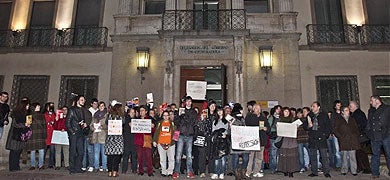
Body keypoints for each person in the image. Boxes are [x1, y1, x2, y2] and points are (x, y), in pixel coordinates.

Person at [173, 96, 197, 179]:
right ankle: (176, 171)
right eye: (187, 101)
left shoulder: (194, 111)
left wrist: (184, 117)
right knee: (178, 154)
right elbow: (176, 122)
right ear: (185, 102)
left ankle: (189, 171)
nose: (189, 103)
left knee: (189, 155)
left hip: (189, 135)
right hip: (181, 134)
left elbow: (192, 122)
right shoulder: (180, 110)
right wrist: (178, 115)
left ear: (191, 102)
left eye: (190, 101)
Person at [366, 95, 390, 178]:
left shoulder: (387, 109)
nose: (370, 102)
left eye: (371, 101)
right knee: (375, 155)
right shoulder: (371, 111)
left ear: (377, 101)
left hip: (386, 135)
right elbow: (369, 123)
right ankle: (375, 173)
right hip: (374, 137)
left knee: (389, 154)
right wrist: (369, 133)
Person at [305, 101, 331, 178]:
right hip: (313, 138)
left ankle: (326, 172)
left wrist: (325, 135)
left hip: (321, 138)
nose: (312, 108)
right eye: (312, 106)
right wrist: (309, 126)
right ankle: (314, 172)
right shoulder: (309, 115)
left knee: (324, 156)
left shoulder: (324, 115)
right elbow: (305, 126)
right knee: (313, 156)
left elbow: (328, 126)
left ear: (318, 107)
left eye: (314, 106)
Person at [66, 95, 90, 174]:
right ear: (77, 101)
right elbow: (68, 122)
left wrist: (85, 125)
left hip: (81, 133)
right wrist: (72, 132)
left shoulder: (83, 110)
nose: (83, 101)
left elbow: (83, 120)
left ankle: (78, 167)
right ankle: (72, 168)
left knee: (81, 151)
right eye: (82, 100)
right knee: (73, 151)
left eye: (84, 100)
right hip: (74, 133)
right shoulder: (72, 110)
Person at [244, 104, 270, 178]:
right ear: (253, 109)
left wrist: (266, 129)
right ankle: (248, 172)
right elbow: (248, 126)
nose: (258, 110)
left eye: (259, 109)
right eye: (256, 108)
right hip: (252, 140)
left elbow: (268, 128)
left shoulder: (263, 118)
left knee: (259, 158)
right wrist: (257, 127)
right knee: (251, 157)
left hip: (261, 140)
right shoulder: (249, 117)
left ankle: (256, 171)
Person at [334, 106, 360, 176]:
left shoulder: (352, 119)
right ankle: (344, 170)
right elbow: (335, 129)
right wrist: (340, 136)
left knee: (352, 156)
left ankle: (354, 170)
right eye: (346, 110)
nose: (348, 111)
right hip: (344, 140)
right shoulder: (339, 120)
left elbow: (356, 129)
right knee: (344, 156)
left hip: (352, 140)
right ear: (342, 112)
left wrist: (355, 135)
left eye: (348, 110)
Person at [6, 99, 30, 171]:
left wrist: (27, 124)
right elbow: (15, 124)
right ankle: (12, 167)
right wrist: (24, 124)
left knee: (18, 151)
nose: (28, 107)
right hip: (15, 134)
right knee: (14, 151)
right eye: (27, 105)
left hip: (21, 134)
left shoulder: (25, 114)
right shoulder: (16, 113)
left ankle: (16, 166)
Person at [349, 100, 371, 174]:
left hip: (361, 137)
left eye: (350, 106)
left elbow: (361, 125)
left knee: (362, 153)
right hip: (358, 136)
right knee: (358, 152)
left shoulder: (358, 114)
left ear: (355, 106)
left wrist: (356, 132)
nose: (349, 108)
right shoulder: (355, 114)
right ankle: (361, 167)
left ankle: (366, 168)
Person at [153, 110, 176, 177]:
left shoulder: (172, 123)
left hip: (170, 144)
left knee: (171, 158)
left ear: (169, 116)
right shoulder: (159, 123)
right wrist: (154, 141)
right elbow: (156, 132)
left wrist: (172, 142)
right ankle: (163, 171)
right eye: (164, 115)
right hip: (161, 143)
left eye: (167, 115)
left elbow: (175, 134)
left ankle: (170, 172)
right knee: (162, 159)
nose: (165, 117)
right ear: (162, 116)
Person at [277, 107, 300, 177]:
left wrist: (297, 127)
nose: (286, 113)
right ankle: (284, 170)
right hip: (283, 139)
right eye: (285, 111)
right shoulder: (280, 119)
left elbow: (296, 129)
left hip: (292, 139)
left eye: (287, 111)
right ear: (282, 112)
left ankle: (291, 171)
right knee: (284, 155)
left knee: (292, 156)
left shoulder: (293, 119)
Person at [105, 101, 125, 177]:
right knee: (117, 155)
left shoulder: (109, 115)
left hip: (110, 137)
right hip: (118, 138)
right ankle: (115, 172)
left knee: (110, 155)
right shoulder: (121, 116)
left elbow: (107, 122)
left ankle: (110, 171)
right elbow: (123, 122)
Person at [229, 103, 249, 180]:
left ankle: (243, 172)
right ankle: (236, 173)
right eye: (241, 110)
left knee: (246, 157)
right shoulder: (231, 118)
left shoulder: (243, 118)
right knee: (235, 158)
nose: (242, 111)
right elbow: (229, 130)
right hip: (236, 140)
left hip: (244, 140)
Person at [25, 103, 46, 170]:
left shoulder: (42, 116)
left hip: (39, 135)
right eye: (38, 106)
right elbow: (27, 127)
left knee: (41, 151)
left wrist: (45, 135)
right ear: (34, 107)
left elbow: (44, 126)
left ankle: (40, 165)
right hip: (33, 135)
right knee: (33, 151)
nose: (39, 107)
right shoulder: (30, 116)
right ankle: (33, 165)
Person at [210, 107, 230, 179]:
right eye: (218, 111)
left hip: (223, 141)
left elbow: (227, 130)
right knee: (216, 158)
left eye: (221, 111)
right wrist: (213, 138)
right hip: (216, 141)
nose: (220, 112)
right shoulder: (215, 121)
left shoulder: (226, 121)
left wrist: (225, 134)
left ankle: (222, 172)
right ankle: (215, 172)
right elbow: (213, 130)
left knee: (223, 159)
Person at [134, 105, 154, 176]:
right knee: (140, 156)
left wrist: (152, 127)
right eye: (140, 111)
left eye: (143, 110)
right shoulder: (136, 119)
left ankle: (150, 171)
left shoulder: (150, 119)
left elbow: (154, 130)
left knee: (148, 156)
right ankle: (140, 170)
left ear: (146, 111)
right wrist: (131, 125)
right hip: (138, 140)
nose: (141, 112)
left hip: (147, 140)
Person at [193, 108, 212, 178]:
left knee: (209, 155)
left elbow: (210, 129)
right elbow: (197, 129)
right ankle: (202, 171)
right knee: (202, 155)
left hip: (208, 138)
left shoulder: (209, 121)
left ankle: (211, 171)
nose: (204, 114)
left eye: (205, 113)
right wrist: (201, 121)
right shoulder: (198, 121)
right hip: (200, 139)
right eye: (203, 113)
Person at [90, 101, 108, 172]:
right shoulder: (95, 115)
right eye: (100, 106)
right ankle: (96, 167)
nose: (101, 107)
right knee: (96, 153)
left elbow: (109, 126)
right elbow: (91, 125)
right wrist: (93, 128)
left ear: (104, 107)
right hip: (95, 136)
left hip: (103, 136)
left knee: (104, 153)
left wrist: (102, 127)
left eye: (102, 106)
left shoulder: (107, 115)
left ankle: (104, 166)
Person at [122, 107, 138, 174]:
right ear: (129, 113)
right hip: (127, 140)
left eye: (133, 112)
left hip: (134, 140)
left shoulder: (137, 120)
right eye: (131, 112)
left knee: (134, 156)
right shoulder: (126, 119)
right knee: (125, 156)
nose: (132, 113)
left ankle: (134, 169)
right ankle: (124, 169)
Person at [84, 98, 98, 172]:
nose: (96, 105)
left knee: (91, 150)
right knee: (86, 149)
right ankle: (84, 164)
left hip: (95, 133)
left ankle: (91, 165)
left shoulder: (98, 112)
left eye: (97, 104)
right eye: (94, 104)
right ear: (91, 104)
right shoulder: (88, 111)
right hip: (88, 133)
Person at [53, 106, 69, 170]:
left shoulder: (69, 117)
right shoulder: (59, 117)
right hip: (58, 136)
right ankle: (57, 165)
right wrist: (56, 120)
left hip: (65, 136)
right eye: (63, 110)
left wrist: (65, 129)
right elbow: (54, 127)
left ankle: (67, 165)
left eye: (66, 110)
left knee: (66, 151)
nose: (64, 111)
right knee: (58, 151)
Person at [328, 100, 342, 170]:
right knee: (337, 150)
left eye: (340, 105)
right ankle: (338, 164)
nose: (339, 106)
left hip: (343, 134)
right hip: (336, 134)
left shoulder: (343, 113)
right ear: (335, 106)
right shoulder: (333, 115)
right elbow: (332, 125)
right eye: (338, 105)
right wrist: (334, 133)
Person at [267, 105, 281, 173]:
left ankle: (277, 167)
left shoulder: (280, 118)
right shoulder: (271, 117)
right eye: (277, 109)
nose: (279, 110)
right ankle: (273, 168)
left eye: (279, 109)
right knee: (273, 153)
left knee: (278, 153)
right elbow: (268, 126)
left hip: (279, 136)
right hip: (273, 136)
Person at [296, 108, 310, 173]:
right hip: (299, 139)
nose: (299, 114)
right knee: (300, 154)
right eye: (297, 113)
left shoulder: (307, 119)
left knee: (310, 153)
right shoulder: (295, 121)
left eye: (300, 113)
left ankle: (312, 165)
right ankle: (302, 167)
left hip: (307, 139)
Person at [43, 102, 56, 169]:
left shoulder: (54, 114)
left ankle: (51, 163)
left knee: (52, 150)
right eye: (49, 106)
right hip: (46, 134)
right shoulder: (44, 114)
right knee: (44, 149)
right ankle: (41, 162)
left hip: (52, 134)